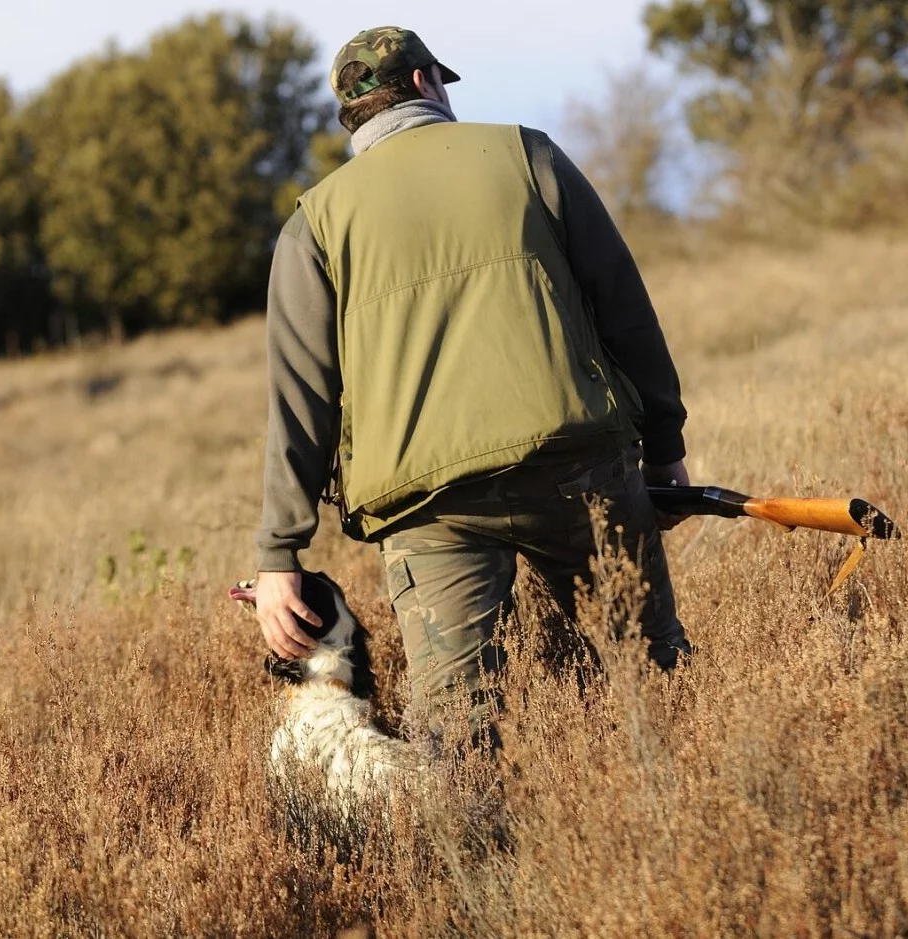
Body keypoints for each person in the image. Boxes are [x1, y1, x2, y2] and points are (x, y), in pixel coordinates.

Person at [252, 26, 693, 745]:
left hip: (428, 510)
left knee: (457, 732)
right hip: (578, 466)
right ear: (427, 83)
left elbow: (298, 402)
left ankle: (476, 849)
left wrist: (278, 556)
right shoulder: (528, 154)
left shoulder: (314, 224)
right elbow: (623, 309)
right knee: (652, 676)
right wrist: (664, 446)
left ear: (352, 117)